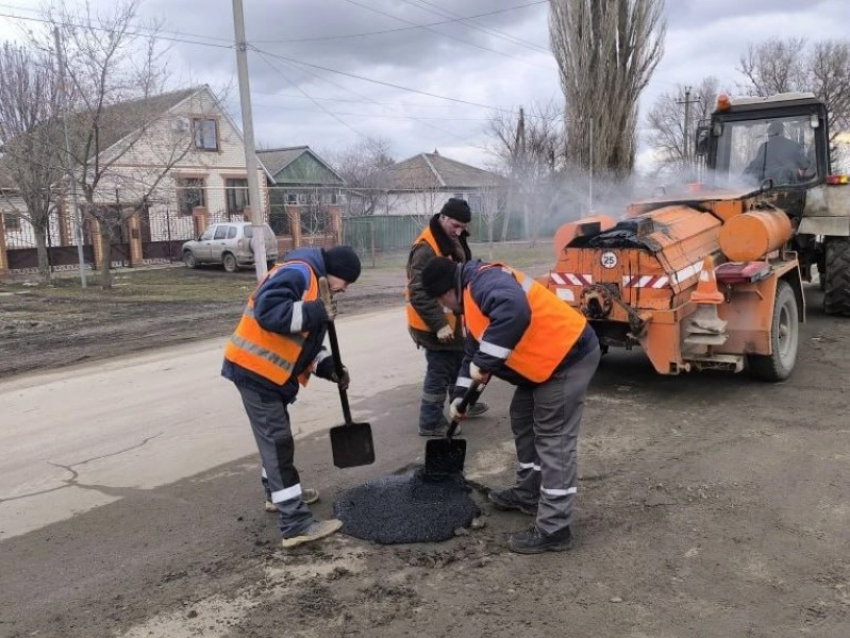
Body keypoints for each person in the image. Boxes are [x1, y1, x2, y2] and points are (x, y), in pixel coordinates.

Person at [420, 257, 600, 554]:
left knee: (553, 439)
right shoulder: (470, 299)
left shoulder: (483, 281)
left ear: (447, 290)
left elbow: (514, 310)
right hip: (541, 365)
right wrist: (460, 398)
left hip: (567, 357)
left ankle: (554, 528)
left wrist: (485, 361)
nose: (444, 308)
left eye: (440, 301)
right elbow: (473, 353)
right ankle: (529, 493)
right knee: (522, 415)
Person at [222, 245, 361, 549]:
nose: (345, 289)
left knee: (275, 441)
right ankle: (295, 524)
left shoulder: (315, 284)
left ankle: (277, 495)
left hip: (270, 377)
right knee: (278, 443)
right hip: (255, 372)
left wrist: (331, 367)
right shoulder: (298, 273)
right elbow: (268, 312)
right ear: (333, 272)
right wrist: (317, 311)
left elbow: (303, 344)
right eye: (346, 282)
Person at [406, 197, 489, 436]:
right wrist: (439, 325)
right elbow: (418, 291)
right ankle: (430, 421)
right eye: (455, 225)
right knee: (440, 370)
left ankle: (462, 403)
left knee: (459, 362)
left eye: (463, 227)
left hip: (454, 322)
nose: (459, 231)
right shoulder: (426, 247)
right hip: (433, 325)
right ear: (442, 217)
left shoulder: (453, 237)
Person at [745, 120, 810, 184]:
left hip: (767, 186)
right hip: (791, 185)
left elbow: (754, 166)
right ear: (782, 132)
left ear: (770, 134)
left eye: (769, 135)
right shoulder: (794, 145)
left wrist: (744, 176)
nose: (769, 137)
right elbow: (805, 165)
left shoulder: (764, 147)